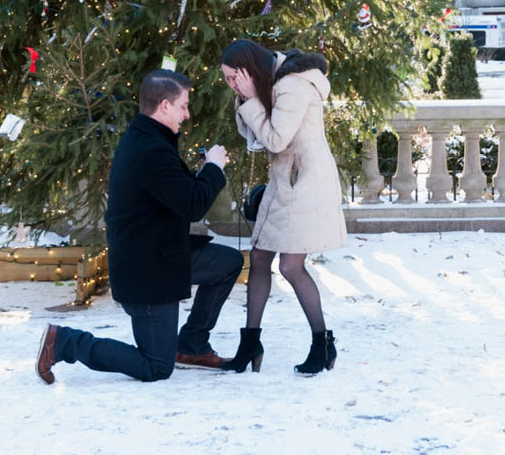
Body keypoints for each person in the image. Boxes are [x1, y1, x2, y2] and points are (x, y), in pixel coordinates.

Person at [35, 69, 243, 383]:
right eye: (183, 106)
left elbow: (179, 194)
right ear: (164, 106)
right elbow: (193, 206)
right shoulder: (151, 150)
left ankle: (192, 343)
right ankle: (64, 342)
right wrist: (213, 168)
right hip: (147, 272)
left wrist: (203, 172)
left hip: (162, 255)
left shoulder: (150, 140)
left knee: (228, 263)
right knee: (156, 367)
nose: (187, 114)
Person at [219, 39, 347, 376]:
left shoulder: (292, 85)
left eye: (234, 78)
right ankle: (250, 343)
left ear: (248, 69)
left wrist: (248, 100)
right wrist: (246, 99)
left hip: (305, 182)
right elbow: (256, 141)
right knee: (259, 257)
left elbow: (276, 140)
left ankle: (323, 343)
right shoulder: (273, 83)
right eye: (228, 80)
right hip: (284, 180)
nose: (232, 85)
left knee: (291, 266)